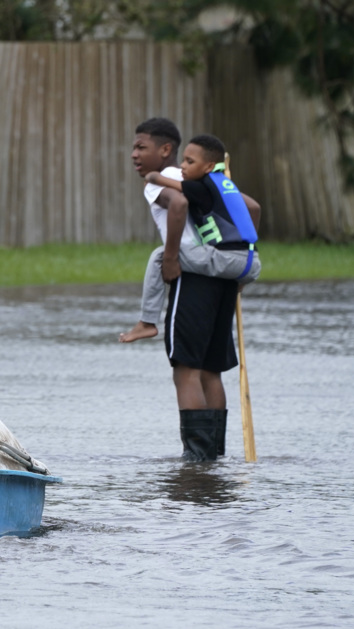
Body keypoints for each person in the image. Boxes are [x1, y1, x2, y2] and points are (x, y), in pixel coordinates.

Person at [122, 117, 240, 461]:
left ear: (166, 150)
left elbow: (178, 206)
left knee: (185, 369)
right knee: (209, 370)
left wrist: (171, 257)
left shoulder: (162, 182)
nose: (134, 154)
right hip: (224, 274)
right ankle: (214, 457)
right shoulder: (206, 181)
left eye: (141, 147)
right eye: (134, 147)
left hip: (193, 276)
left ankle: (196, 462)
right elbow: (250, 208)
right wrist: (240, 257)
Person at [122, 132, 261, 343]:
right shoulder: (224, 186)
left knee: (160, 255)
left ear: (208, 167)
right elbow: (254, 207)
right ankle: (239, 278)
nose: (183, 167)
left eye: (189, 162)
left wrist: (151, 177)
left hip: (227, 260)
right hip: (251, 263)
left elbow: (162, 182)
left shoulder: (201, 187)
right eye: (183, 161)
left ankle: (147, 322)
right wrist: (242, 265)